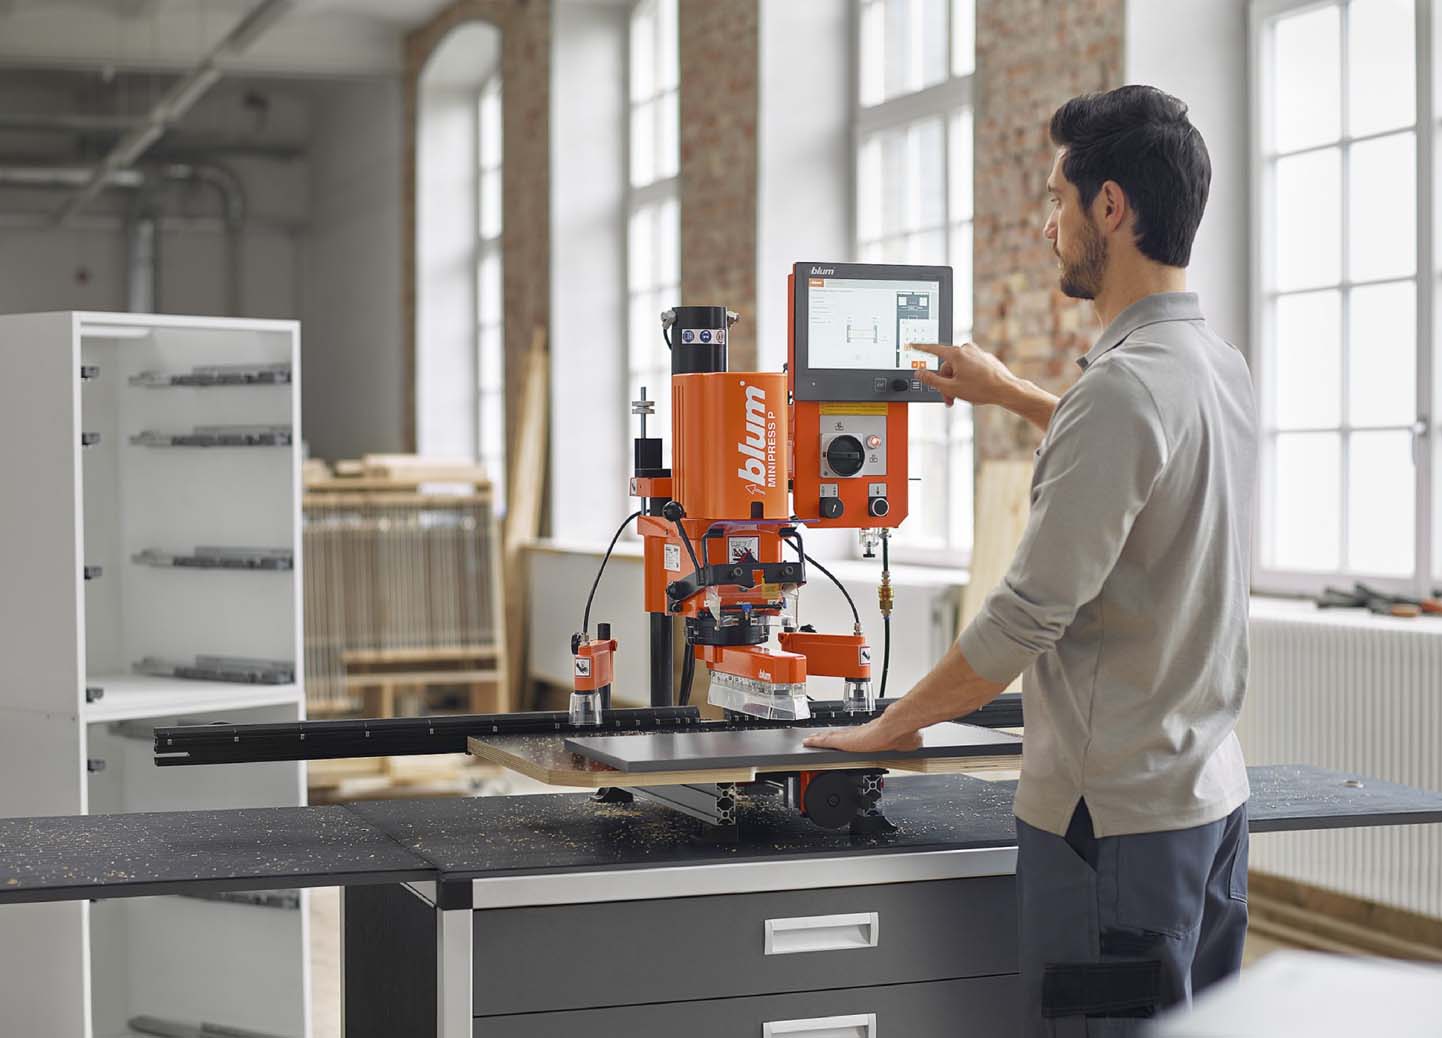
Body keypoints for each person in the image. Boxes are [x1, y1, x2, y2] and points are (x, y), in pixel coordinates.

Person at [805, 84, 1258, 1034]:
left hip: (1114, 830)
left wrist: (891, 725)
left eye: (1057, 198)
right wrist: (1013, 391)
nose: (1049, 223)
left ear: (1110, 208)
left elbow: (1025, 613)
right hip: (1210, 802)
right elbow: (1146, 471)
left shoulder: (1123, 391)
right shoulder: (1216, 365)